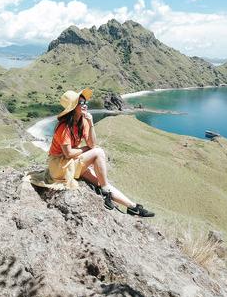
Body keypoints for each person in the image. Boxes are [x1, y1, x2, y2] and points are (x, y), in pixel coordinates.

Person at [28, 88, 154, 217]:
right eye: (81, 102)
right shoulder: (64, 127)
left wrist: (90, 122)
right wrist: (85, 149)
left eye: (85, 102)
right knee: (99, 153)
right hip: (59, 165)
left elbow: (92, 144)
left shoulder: (82, 122)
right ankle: (105, 191)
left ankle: (132, 207)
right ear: (73, 107)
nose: (85, 105)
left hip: (71, 163)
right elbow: (68, 153)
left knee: (101, 181)